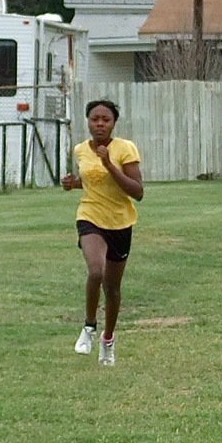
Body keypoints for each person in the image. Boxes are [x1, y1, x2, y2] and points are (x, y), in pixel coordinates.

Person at [61, 99, 145, 366]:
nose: (99, 124)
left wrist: (110, 165)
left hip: (120, 222)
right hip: (90, 216)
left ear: (113, 123)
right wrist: (72, 183)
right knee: (95, 271)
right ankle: (89, 327)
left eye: (105, 120)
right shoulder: (80, 150)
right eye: (94, 119)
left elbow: (137, 192)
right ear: (87, 121)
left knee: (112, 287)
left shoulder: (125, 149)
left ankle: (108, 340)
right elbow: (89, 182)